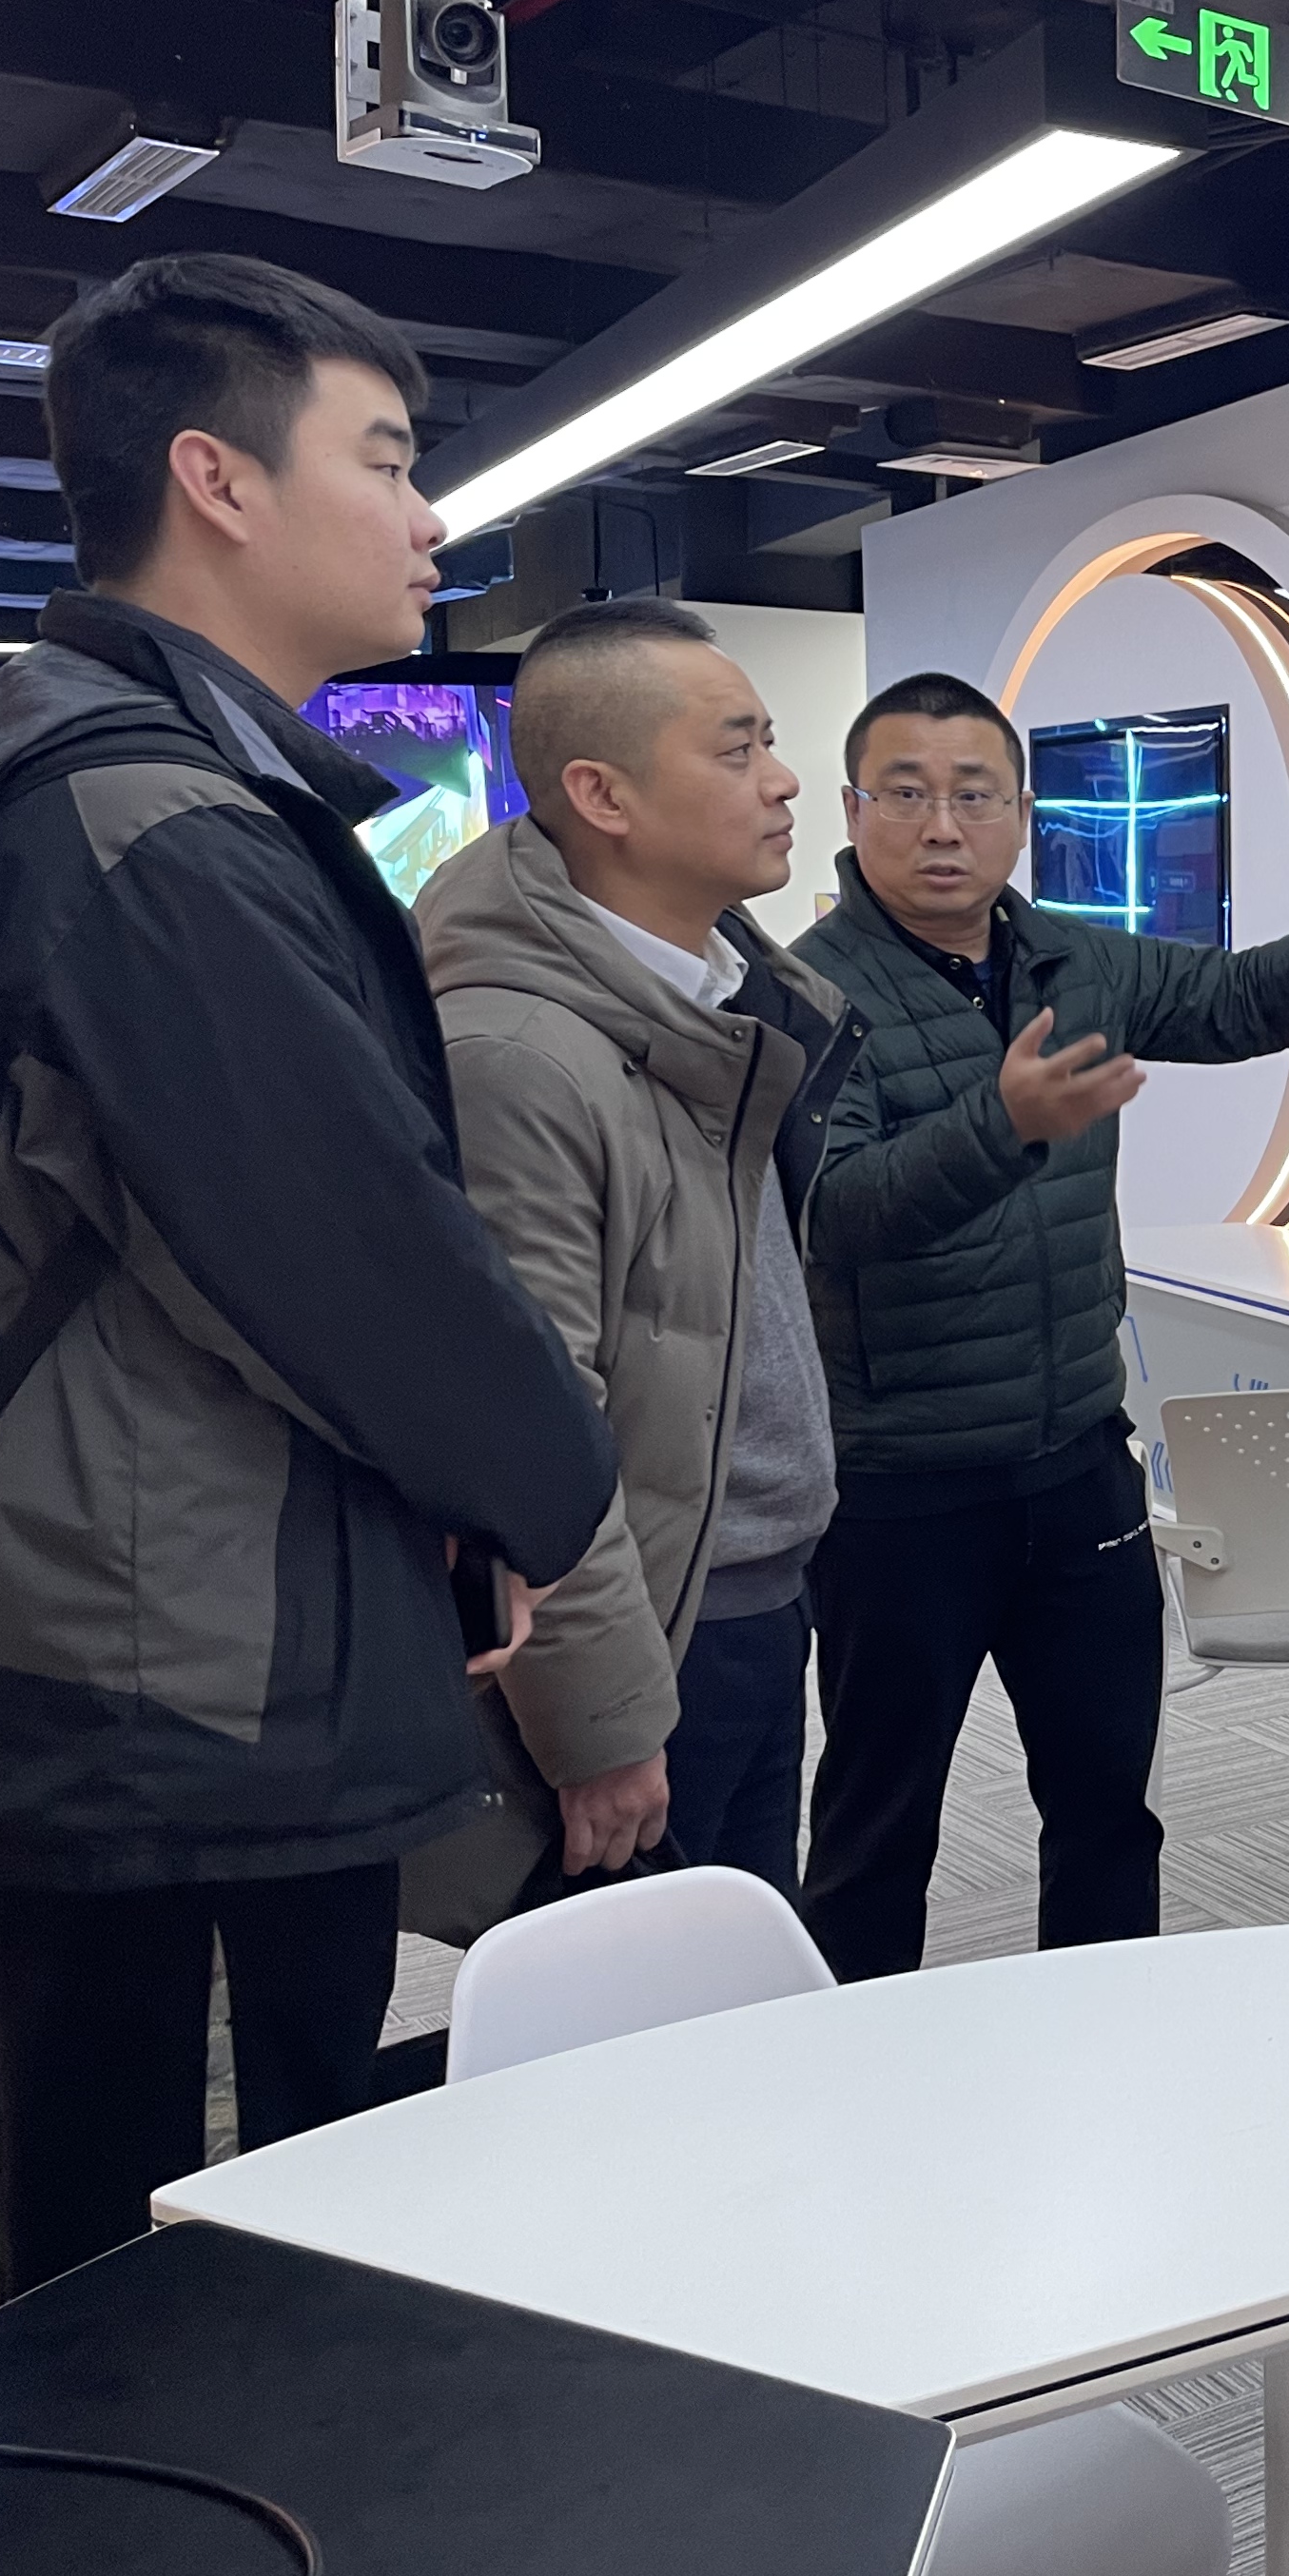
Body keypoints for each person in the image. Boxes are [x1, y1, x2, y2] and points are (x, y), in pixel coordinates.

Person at [0, 254, 618, 2297]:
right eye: (388, 458)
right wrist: (543, 1489)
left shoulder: (47, 771)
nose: (431, 515)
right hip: (180, 1689)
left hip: (83, 1637)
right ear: (216, 480)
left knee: (108, 2215)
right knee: (206, 2269)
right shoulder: (156, 835)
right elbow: (367, 1272)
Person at [793, 673, 1289, 1977]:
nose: (941, 826)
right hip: (901, 1490)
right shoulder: (808, 995)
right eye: (906, 793)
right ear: (852, 810)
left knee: (1109, 1805)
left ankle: (1112, 2044)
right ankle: (853, 2067)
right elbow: (836, 1215)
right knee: (879, 1828)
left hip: (1077, 1461)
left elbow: (1231, 1001)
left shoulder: (1076, 956)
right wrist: (1002, 1125)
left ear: (1020, 815)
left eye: (973, 795)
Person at [409, 598, 858, 1927]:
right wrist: (601, 1718)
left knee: (744, 1990)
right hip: (657, 1626)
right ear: (602, 795)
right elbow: (522, 1419)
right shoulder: (519, 1057)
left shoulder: (710, 1000)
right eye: (737, 748)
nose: (783, 780)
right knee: (645, 2017)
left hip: (746, 1591)